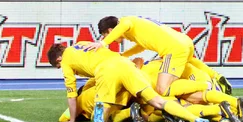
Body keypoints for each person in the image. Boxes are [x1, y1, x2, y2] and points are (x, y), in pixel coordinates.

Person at [47, 42, 210, 122]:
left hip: (107, 72)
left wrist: (72, 120)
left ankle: (110, 111)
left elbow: (72, 95)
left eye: (58, 66)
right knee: (157, 101)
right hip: (124, 64)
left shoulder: (66, 63)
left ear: (59, 60)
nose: (61, 68)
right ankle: (194, 119)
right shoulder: (80, 44)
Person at [85, 15, 231, 97]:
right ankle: (216, 76)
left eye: (106, 35)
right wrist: (124, 54)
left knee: (162, 89)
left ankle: (209, 86)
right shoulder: (136, 27)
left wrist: (103, 43)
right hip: (185, 41)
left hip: (174, 49)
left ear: (110, 31)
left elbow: (124, 25)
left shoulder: (125, 22)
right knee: (189, 61)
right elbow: (142, 45)